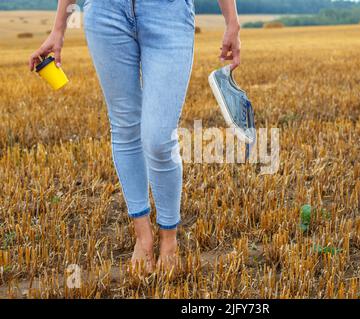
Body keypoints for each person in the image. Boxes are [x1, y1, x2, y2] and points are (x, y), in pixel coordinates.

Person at [29, 0, 241, 273]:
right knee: (125, 127)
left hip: (168, 12)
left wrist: (232, 21)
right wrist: (58, 28)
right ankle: (143, 236)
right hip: (106, 15)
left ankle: (169, 238)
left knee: (159, 139)